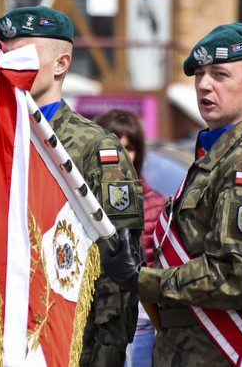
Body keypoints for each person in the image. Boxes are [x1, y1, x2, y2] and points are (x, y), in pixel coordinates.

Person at [101, 23, 242, 365]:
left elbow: (234, 276)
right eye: (200, 74)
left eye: (220, 75)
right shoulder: (214, 156)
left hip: (223, 351)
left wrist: (144, 279)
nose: (204, 85)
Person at [0, 6, 144, 366]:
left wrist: (105, 357)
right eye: (6, 55)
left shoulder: (95, 148)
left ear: (61, 64)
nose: (11, 64)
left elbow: (117, 274)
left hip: (70, 343)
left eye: (25, 54)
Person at [94, 109, 164, 367]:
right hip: (94, 323)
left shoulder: (156, 204)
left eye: (130, 147)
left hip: (140, 323)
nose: (122, 155)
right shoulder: (80, 204)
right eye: (114, 146)